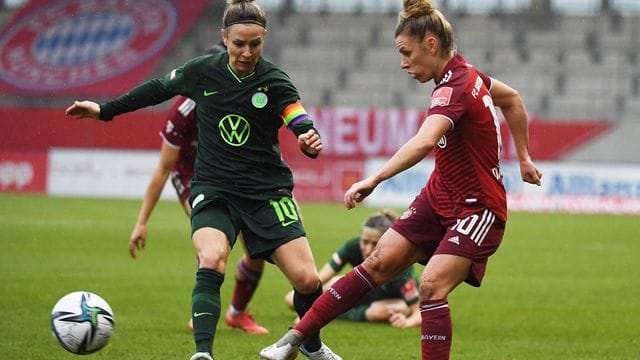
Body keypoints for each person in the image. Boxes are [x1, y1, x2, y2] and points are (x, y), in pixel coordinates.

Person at [259, 0, 543, 359]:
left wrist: (374, 178)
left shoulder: (452, 88)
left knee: (431, 285)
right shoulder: (470, 77)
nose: (403, 63)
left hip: (477, 209)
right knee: (377, 263)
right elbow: (513, 99)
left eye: (407, 53)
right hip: (439, 197)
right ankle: (294, 340)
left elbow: (425, 140)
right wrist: (524, 157)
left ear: (431, 45)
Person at [65, 1, 341, 359]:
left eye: (255, 44)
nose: (246, 51)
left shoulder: (274, 80)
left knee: (307, 280)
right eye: (239, 43)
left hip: (267, 194)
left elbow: (297, 115)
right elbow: (155, 88)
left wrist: (308, 136)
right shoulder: (202, 72)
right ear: (224, 37)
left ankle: (312, 346)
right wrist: (105, 111)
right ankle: (203, 353)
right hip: (215, 191)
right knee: (211, 258)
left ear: (264, 40)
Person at [129, 92, 268, 335]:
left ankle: (236, 313)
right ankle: (202, 312)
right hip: (191, 177)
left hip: (232, 175)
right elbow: (163, 168)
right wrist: (141, 222)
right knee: (212, 244)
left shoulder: (242, 96)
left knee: (257, 248)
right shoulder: (184, 112)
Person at [284, 209, 421, 328]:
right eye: (365, 242)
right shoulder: (353, 247)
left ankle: (336, 314)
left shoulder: (399, 265)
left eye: (375, 244)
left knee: (382, 311)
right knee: (292, 299)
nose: (367, 249)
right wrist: (306, 308)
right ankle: (334, 313)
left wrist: (407, 322)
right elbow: (318, 280)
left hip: (390, 301)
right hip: (363, 294)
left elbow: (417, 309)